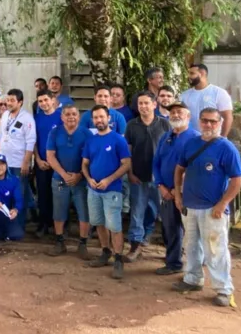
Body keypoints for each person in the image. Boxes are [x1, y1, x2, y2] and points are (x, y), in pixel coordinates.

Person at [173, 108, 241, 307]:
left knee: (215, 250)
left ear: (220, 123)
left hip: (213, 209)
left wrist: (223, 204)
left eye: (213, 121)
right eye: (205, 121)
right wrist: (178, 195)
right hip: (190, 207)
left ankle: (223, 289)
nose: (209, 125)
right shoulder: (191, 143)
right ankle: (192, 279)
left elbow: (238, 179)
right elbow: (179, 169)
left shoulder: (226, 148)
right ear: (199, 121)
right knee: (191, 246)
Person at [82, 105, 131, 280]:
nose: (99, 120)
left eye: (102, 117)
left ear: (109, 118)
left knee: (115, 226)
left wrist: (108, 180)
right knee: (98, 223)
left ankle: (118, 258)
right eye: (95, 117)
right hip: (93, 190)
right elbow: (85, 164)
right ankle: (105, 252)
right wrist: (88, 179)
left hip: (112, 191)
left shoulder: (118, 139)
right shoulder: (91, 140)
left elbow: (126, 164)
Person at [152, 101, 200, 275]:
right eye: (172, 112)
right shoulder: (165, 137)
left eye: (180, 112)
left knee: (192, 232)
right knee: (171, 229)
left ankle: (196, 266)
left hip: (187, 194)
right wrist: (161, 186)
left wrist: (177, 189)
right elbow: (156, 163)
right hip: (166, 193)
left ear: (188, 116)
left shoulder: (195, 138)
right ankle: (173, 263)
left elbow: (193, 167)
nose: (176, 115)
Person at [124, 91, 171, 261]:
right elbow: (127, 153)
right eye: (140, 104)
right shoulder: (131, 125)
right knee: (137, 212)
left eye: (146, 103)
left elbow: (170, 152)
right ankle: (135, 247)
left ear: (154, 105)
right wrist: (129, 173)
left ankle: (172, 250)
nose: (143, 106)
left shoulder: (165, 125)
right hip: (138, 177)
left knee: (166, 214)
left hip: (160, 180)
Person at [46, 104, 93, 258]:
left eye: (74, 114)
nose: (71, 117)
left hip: (81, 180)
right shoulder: (55, 132)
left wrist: (80, 174)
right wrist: (64, 174)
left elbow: (91, 157)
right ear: (62, 117)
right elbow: (50, 156)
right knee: (59, 211)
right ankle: (59, 242)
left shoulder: (86, 133)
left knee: (84, 212)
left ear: (79, 116)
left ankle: (83, 243)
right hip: (60, 179)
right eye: (67, 114)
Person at [0, 89, 37, 228]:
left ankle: (19, 224)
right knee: (5, 192)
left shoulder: (27, 118)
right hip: (4, 163)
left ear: (20, 102)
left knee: (19, 193)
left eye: (12, 100)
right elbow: (0, 137)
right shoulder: (5, 115)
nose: (9, 103)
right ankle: (7, 220)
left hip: (19, 163)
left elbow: (31, 142)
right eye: (8, 100)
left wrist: (26, 162)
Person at [33, 90, 63, 236]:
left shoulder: (61, 117)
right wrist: (38, 159)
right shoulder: (36, 118)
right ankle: (43, 224)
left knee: (59, 195)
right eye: (40, 101)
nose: (44, 103)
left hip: (58, 164)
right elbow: (33, 141)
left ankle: (60, 226)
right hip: (42, 163)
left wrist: (56, 162)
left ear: (53, 100)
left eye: (46, 100)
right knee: (43, 194)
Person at [180, 64, 234, 136]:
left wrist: (222, 137)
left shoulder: (219, 93)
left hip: (212, 139)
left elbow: (227, 117)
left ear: (202, 73)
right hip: (191, 139)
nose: (189, 76)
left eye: (192, 73)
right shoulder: (184, 95)